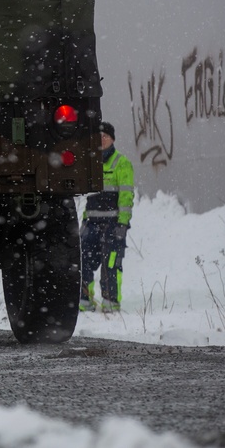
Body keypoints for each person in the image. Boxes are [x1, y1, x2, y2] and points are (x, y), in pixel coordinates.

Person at [80, 122, 135, 313]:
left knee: (110, 264)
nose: (102, 139)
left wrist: (123, 223)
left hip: (113, 224)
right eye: (99, 136)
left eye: (106, 136)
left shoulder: (122, 163)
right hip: (92, 223)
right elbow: (90, 198)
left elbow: (126, 196)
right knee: (83, 261)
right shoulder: (90, 163)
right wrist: (85, 222)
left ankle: (111, 303)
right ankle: (84, 301)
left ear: (112, 139)